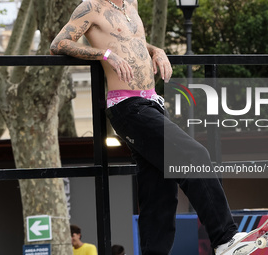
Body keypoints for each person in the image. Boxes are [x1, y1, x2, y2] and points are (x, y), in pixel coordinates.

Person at [51, 1, 244, 254]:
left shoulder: (132, 4)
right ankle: (225, 239)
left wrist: (157, 50)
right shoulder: (91, 7)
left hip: (152, 103)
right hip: (127, 106)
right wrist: (105, 54)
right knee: (194, 156)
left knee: (159, 192)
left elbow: (133, 42)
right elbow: (59, 44)